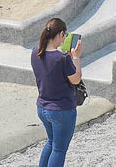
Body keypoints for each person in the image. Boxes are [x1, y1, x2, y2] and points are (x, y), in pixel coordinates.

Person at [31, 18, 82, 167]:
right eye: (64, 35)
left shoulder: (35, 53)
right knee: (59, 150)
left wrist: (67, 57)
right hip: (61, 110)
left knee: (51, 143)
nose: (64, 38)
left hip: (42, 107)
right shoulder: (63, 59)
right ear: (60, 34)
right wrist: (76, 57)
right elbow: (76, 80)